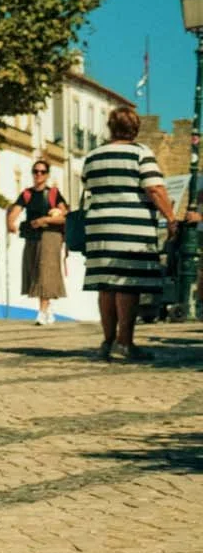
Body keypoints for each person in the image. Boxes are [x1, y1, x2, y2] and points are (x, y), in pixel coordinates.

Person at [83, 107, 176, 362]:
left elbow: (89, 186)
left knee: (106, 285)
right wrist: (170, 217)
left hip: (99, 226)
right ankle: (125, 342)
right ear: (135, 129)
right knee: (128, 284)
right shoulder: (140, 153)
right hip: (131, 227)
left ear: (110, 127)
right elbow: (155, 189)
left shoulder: (93, 156)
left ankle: (107, 341)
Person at [6, 160, 69, 325]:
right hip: (32, 237)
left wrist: (45, 219)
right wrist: (10, 222)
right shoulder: (27, 194)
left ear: (47, 174)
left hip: (50, 236)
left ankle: (41, 312)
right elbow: (16, 210)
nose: (38, 174)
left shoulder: (54, 194)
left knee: (45, 272)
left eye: (42, 171)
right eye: (36, 171)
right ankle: (47, 307)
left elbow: (64, 216)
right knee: (34, 272)